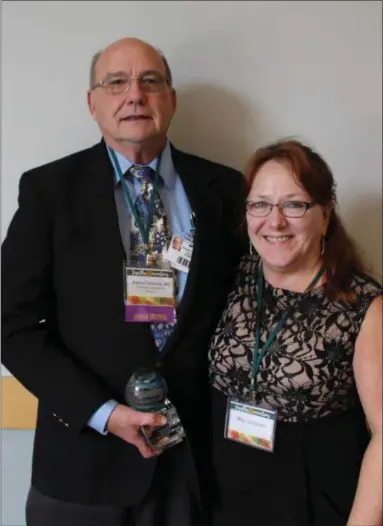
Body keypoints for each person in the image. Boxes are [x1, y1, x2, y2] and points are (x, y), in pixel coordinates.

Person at [1, 37, 247, 526]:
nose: (134, 95)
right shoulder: (49, 190)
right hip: (82, 465)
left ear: (170, 100)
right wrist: (102, 412)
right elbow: (12, 327)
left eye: (151, 81)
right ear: (93, 103)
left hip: (193, 464)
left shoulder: (226, 189)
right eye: (116, 82)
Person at [208, 139, 382, 526]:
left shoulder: (363, 305)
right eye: (261, 204)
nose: (275, 221)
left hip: (315, 505)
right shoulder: (230, 279)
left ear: (325, 214)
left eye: (294, 204)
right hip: (228, 500)